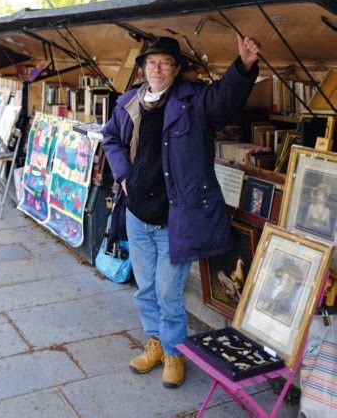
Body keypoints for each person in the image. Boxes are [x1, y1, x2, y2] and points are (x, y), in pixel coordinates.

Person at [102, 34, 260, 388]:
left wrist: (244, 66)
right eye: (151, 63)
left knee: (168, 291)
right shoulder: (128, 102)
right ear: (143, 69)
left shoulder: (195, 102)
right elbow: (110, 137)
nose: (157, 68)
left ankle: (174, 351)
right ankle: (155, 340)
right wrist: (124, 177)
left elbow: (224, 100)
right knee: (145, 288)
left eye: (165, 63)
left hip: (177, 217)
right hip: (138, 212)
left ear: (176, 70)